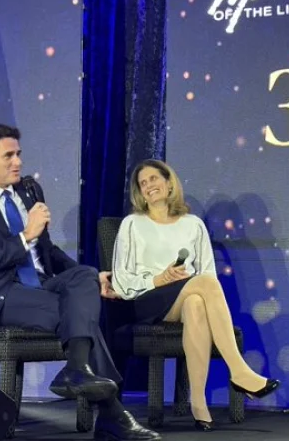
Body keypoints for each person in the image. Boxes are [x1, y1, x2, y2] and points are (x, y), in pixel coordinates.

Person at [0, 124, 160, 441]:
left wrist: (89, 277)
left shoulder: (28, 191)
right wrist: (24, 235)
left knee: (84, 277)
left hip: (37, 285)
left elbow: (48, 252)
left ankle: (78, 369)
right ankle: (112, 412)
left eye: (18, 154)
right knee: (75, 311)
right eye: (8, 156)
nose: (17, 162)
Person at [112, 159, 280, 431]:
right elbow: (121, 279)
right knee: (202, 286)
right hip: (146, 300)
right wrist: (159, 278)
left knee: (195, 303)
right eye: (143, 183)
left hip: (184, 296)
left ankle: (198, 402)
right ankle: (238, 369)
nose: (148, 186)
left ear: (169, 183)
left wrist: (184, 281)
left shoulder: (193, 224)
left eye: (153, 179)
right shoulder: (132, 224)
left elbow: (208, 274)